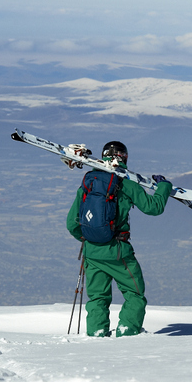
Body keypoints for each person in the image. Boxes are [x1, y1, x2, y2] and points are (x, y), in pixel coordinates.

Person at [66, 141, 172, 337]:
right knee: (135, 293)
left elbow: (72, 224)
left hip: (91, 250)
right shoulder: (126, 182)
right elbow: (153, 207)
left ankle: (96, 333)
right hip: (117, 251)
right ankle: (127, 331)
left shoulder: (89, 181)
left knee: (97, 297)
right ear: (124, 158)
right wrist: (164, 186)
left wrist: (90, 238)